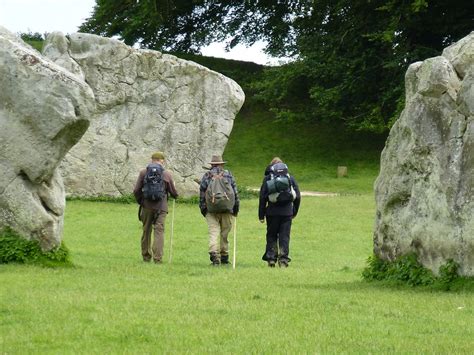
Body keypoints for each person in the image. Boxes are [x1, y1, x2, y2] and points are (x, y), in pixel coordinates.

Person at [133, 152, 178, 263]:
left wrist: (141, 201)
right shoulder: (167, 174)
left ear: (152, 159)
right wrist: (175, 195)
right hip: (161, 207)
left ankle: (146, 257)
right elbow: (173, 192)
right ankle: (158, 258)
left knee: (146, 231)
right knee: (159, 231)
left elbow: (136, 190)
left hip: (147, 206)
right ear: (162, 160)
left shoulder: (144, 172)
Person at [259, 161, 301, 267]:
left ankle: (271, 258)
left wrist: (261, 215)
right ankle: (283, 260)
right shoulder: (290, 178)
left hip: (272, 213)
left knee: (271, 235)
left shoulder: (268, 178)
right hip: (287, 213)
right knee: (284, 236)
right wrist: (294, 211)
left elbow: (263, 197)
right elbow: (298, 196)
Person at [199, 155, 239, 266]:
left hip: (211, 210)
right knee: (224, 233)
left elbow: (202, 194)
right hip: (227, 209)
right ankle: (224, 256)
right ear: (222, 164)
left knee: (213, 232)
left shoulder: (207, 175)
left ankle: (214, 255)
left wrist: (204, 210)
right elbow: (235, 193)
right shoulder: (228, 175)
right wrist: (235, 209)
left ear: (211, 165)